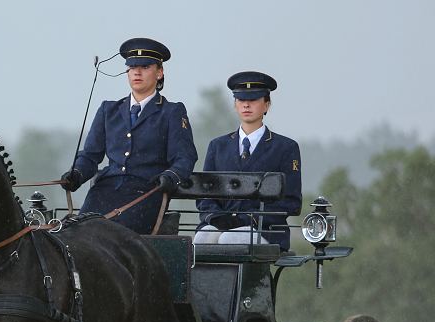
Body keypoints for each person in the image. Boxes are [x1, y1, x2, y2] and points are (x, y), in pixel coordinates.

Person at [60, 38, 197, 234]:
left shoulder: (172, 112)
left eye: (145, 66)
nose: (137, 72)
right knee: (75, 235)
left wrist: (171, 176)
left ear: (159, 72)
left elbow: (185, 156)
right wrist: (77, 174)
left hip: (146, 192)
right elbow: (90, 156)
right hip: (104, 191)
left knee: (114, 236)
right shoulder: (109, 110)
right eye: (131, 67)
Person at [194, 71, 301, 251]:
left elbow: (291, 201)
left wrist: (248, 219)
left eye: (254, 99)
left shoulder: (285, 147)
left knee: (229, 240)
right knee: (201, 238)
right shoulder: (217, 146)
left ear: (267, 105)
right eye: (241, 100)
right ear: (235, 104)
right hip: (222, 225)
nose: (246, 105)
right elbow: (206, 193)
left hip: (265, 230)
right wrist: (217, 217)